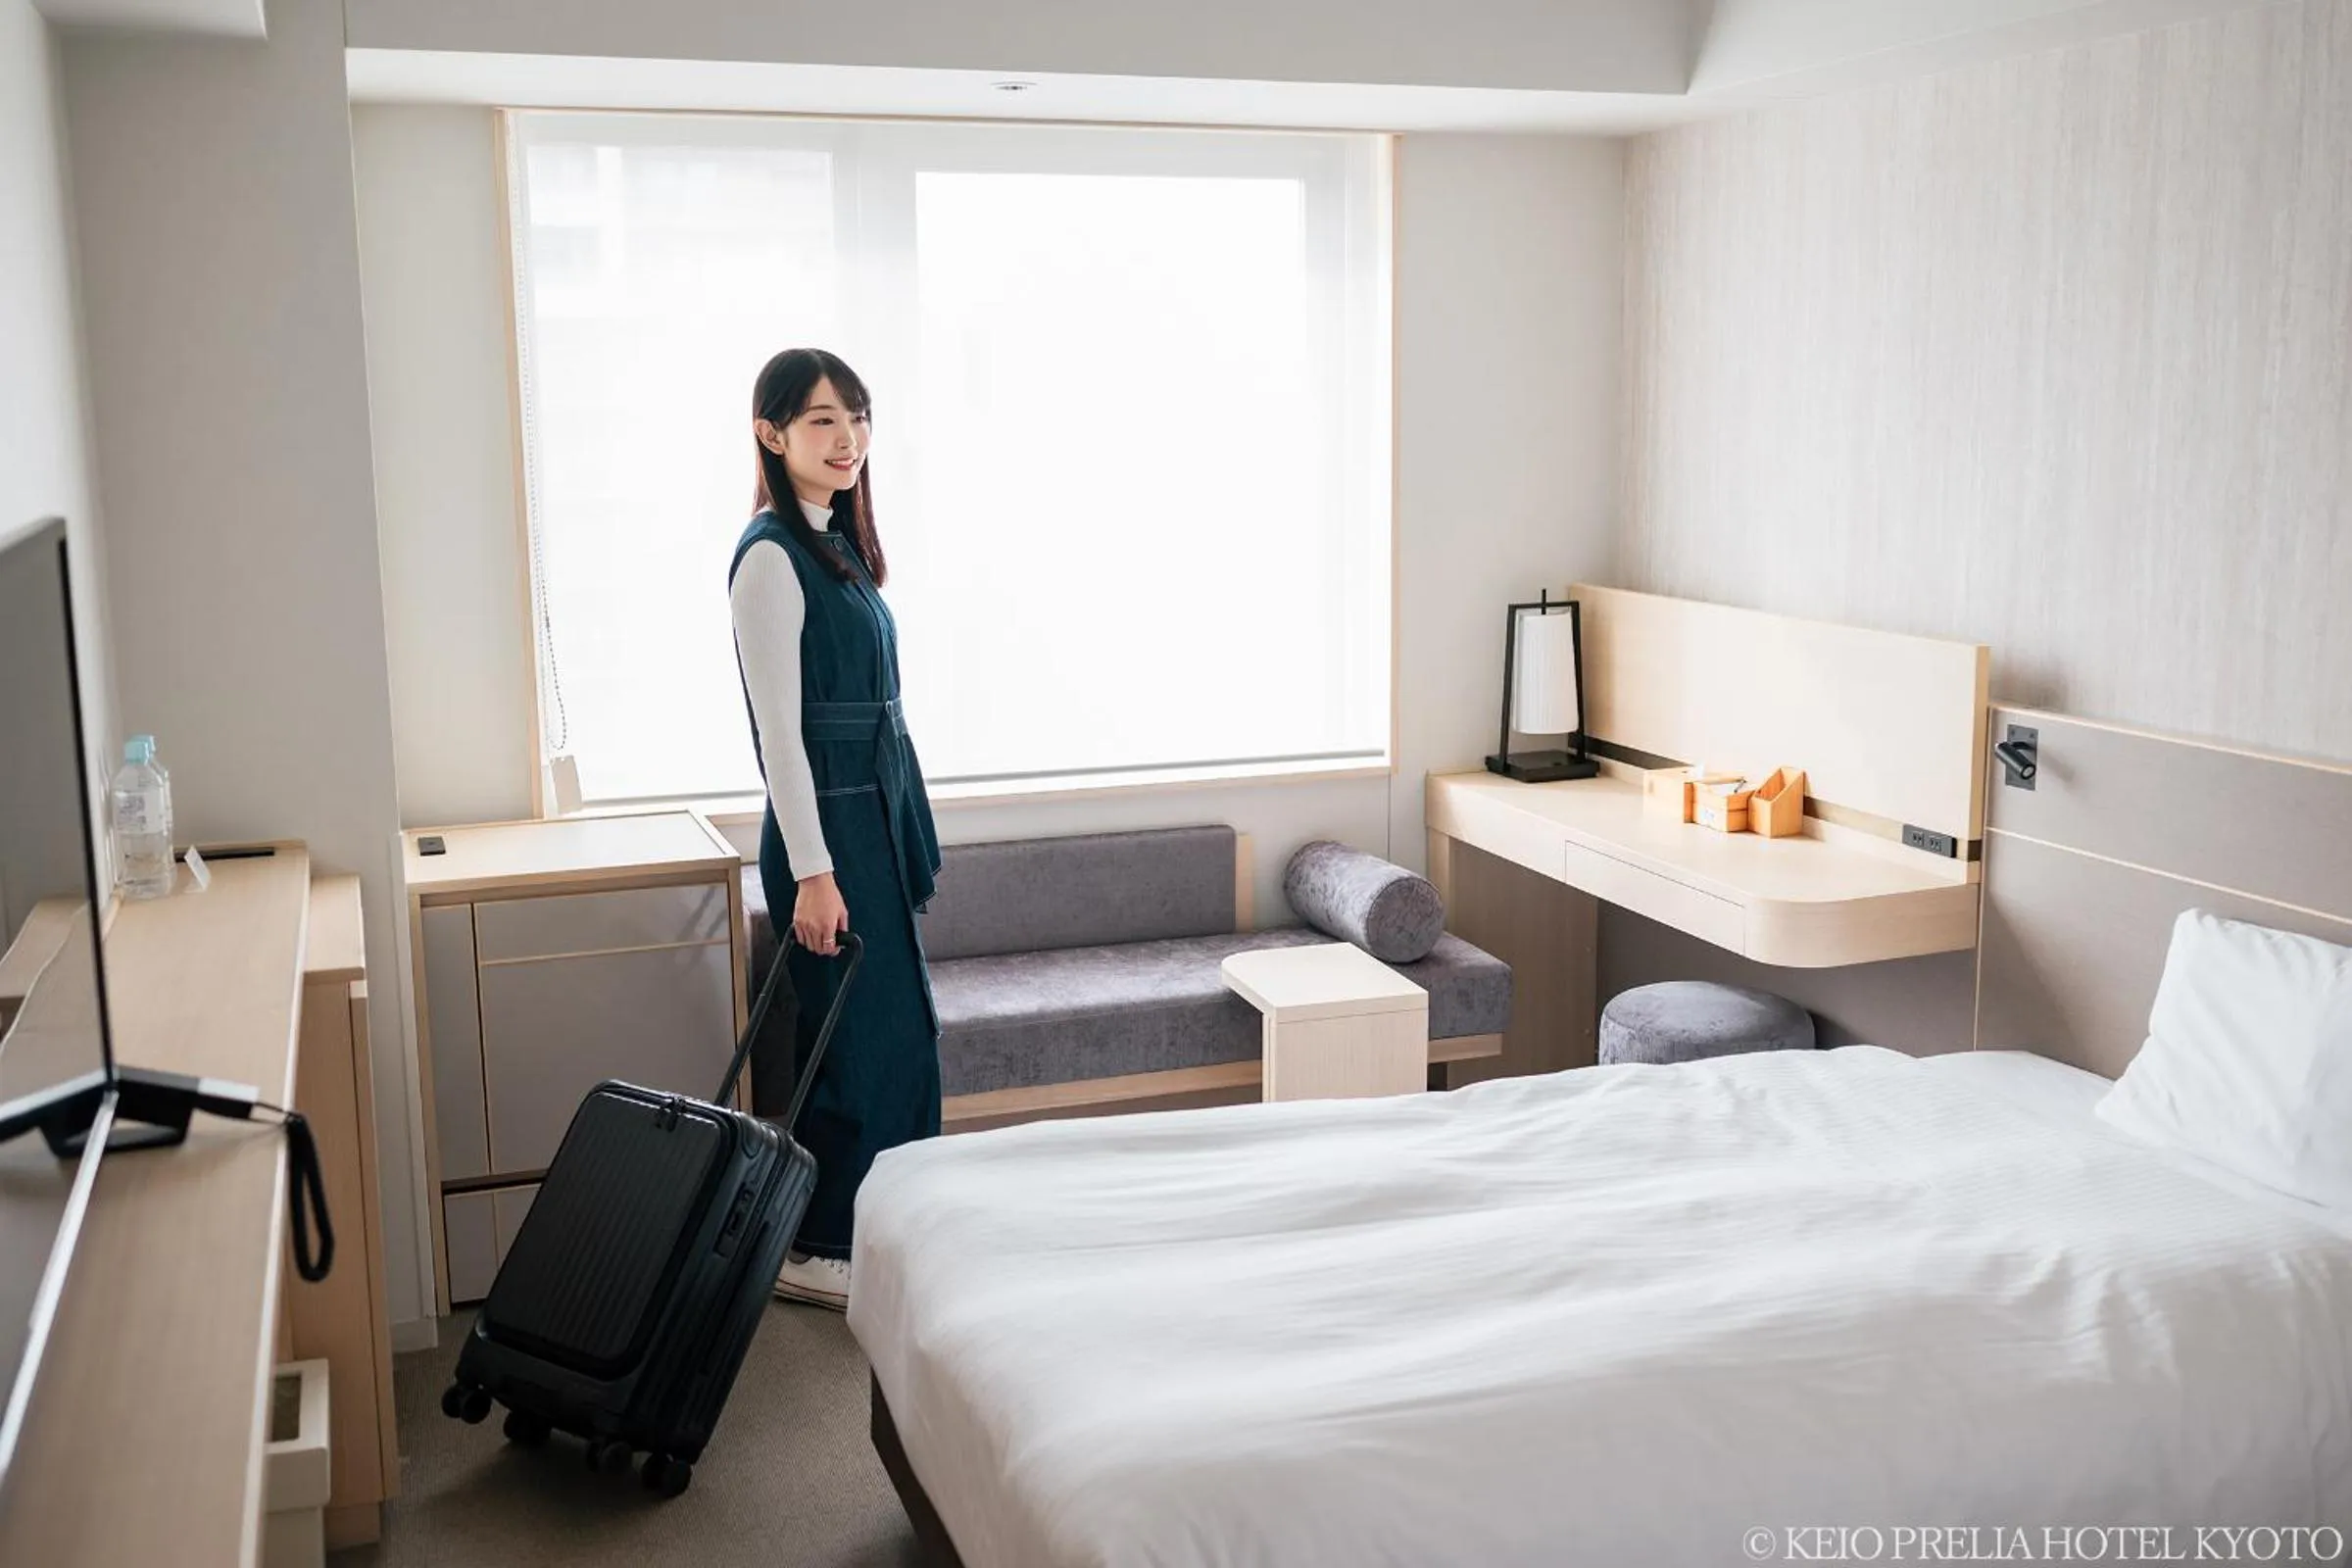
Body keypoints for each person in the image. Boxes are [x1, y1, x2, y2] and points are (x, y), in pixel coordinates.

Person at [728, 347, 942, 1311]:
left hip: (871, 818)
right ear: (772, 434)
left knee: (895, 1036)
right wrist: (814, 872)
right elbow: (779, 736)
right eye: (821, 418)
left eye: (855, 414)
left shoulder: (834, 543)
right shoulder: (771, 555)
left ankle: (884, 1227)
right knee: (853, 1043)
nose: (847, 435)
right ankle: (817, 1245)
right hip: (827, 831)